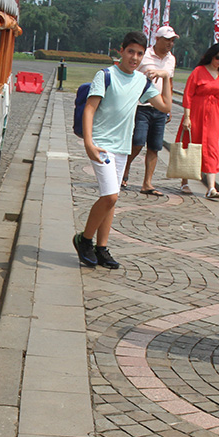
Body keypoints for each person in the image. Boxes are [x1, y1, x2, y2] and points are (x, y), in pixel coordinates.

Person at [75, 31, 173, 269]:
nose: (135, 58)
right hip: (101, 145)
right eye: (131, 51)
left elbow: (165, 106)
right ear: (121, 51)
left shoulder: (142, 81)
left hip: (121, 148)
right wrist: (88, 142)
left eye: (140, 53)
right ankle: (84, 239)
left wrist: (166, 77)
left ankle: (102, 248)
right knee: (110, 196)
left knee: (110, 201)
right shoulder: (106, 75)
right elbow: (90, 109)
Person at [123, 25, 178, 195]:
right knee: (138, 141)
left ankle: (147, 183)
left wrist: (169, 107)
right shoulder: (143, 55)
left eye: (172, 40)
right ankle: (124, 170)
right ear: (157, 39)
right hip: (141, 105)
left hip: (160, 107)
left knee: (154, 146)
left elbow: (169, 82)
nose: (170, 43)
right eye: (167, 39)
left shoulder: (171, 59)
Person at [180, 42, 219, 199]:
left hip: (213, 115)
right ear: (211, 56)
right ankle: (184, 181)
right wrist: (187, 117)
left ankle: (211, 187)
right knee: (191, 144)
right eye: (218, 57)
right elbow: (188, 94)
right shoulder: (198, 72)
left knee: (211, 147)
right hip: (196, 111)